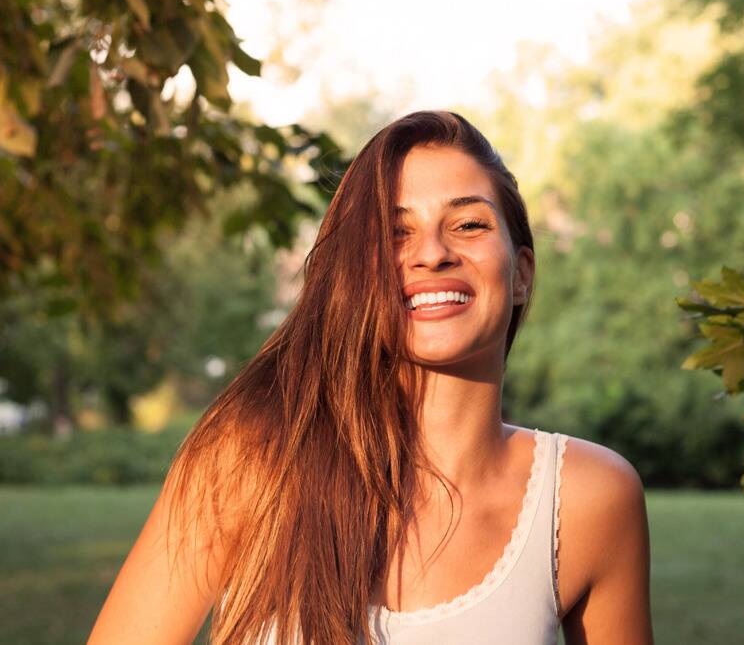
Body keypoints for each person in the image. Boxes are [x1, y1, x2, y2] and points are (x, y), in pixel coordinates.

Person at [87, 110, 652, 645]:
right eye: (396, 233)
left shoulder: (587, 498)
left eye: (469, 224)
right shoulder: (254, 460)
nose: (432, 253)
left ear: (523, 273)